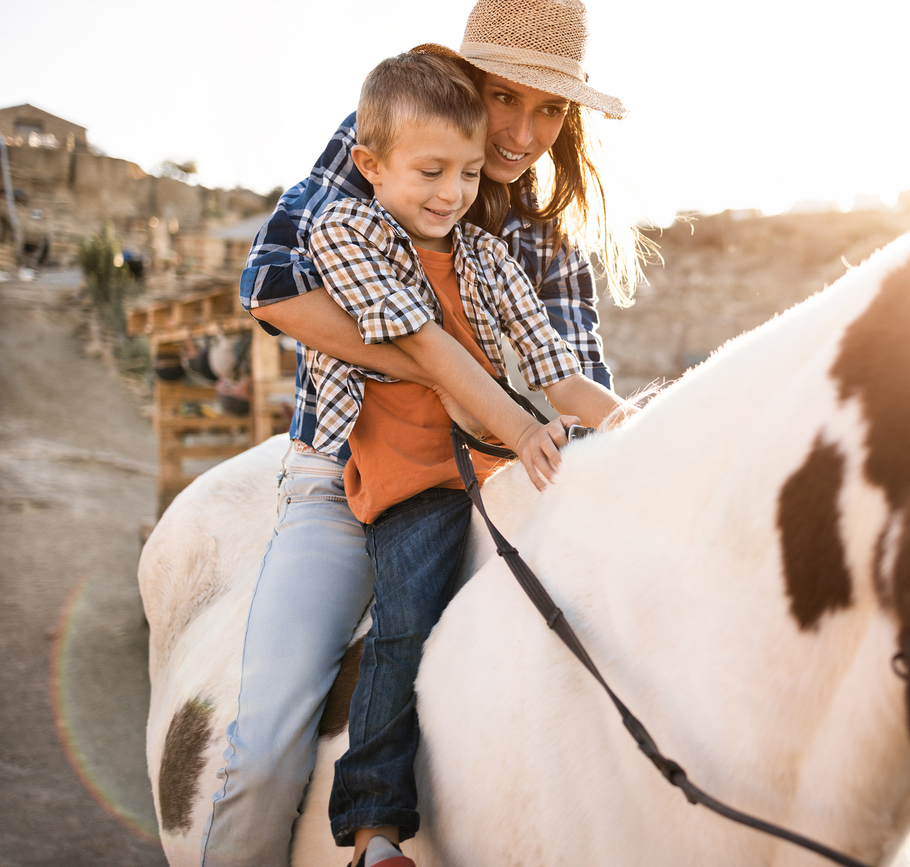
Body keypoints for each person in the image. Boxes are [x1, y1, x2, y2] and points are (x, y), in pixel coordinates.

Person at [199, 2, 645, 865]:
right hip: (342, 471)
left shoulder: (542, 238)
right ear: (465, 81)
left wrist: (627, 425)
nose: (522, 133)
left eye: (550, 110)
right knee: (260, 746)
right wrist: (444, 371)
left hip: (491, 479)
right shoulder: (386, 142)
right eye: (505, 97)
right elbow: (274, 285)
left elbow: (566, 384)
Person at [303, 52, 620, 867]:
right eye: (432, 171)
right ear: (370, 166)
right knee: (406, 618)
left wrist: (630, 422)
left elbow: (553, 367)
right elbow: (422, 341)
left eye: (470, 175)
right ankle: (373, 826)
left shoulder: (485, 256)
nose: (451, 193)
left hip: (491, 477)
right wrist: (520, 430)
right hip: (416, 484)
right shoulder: (347, 230)